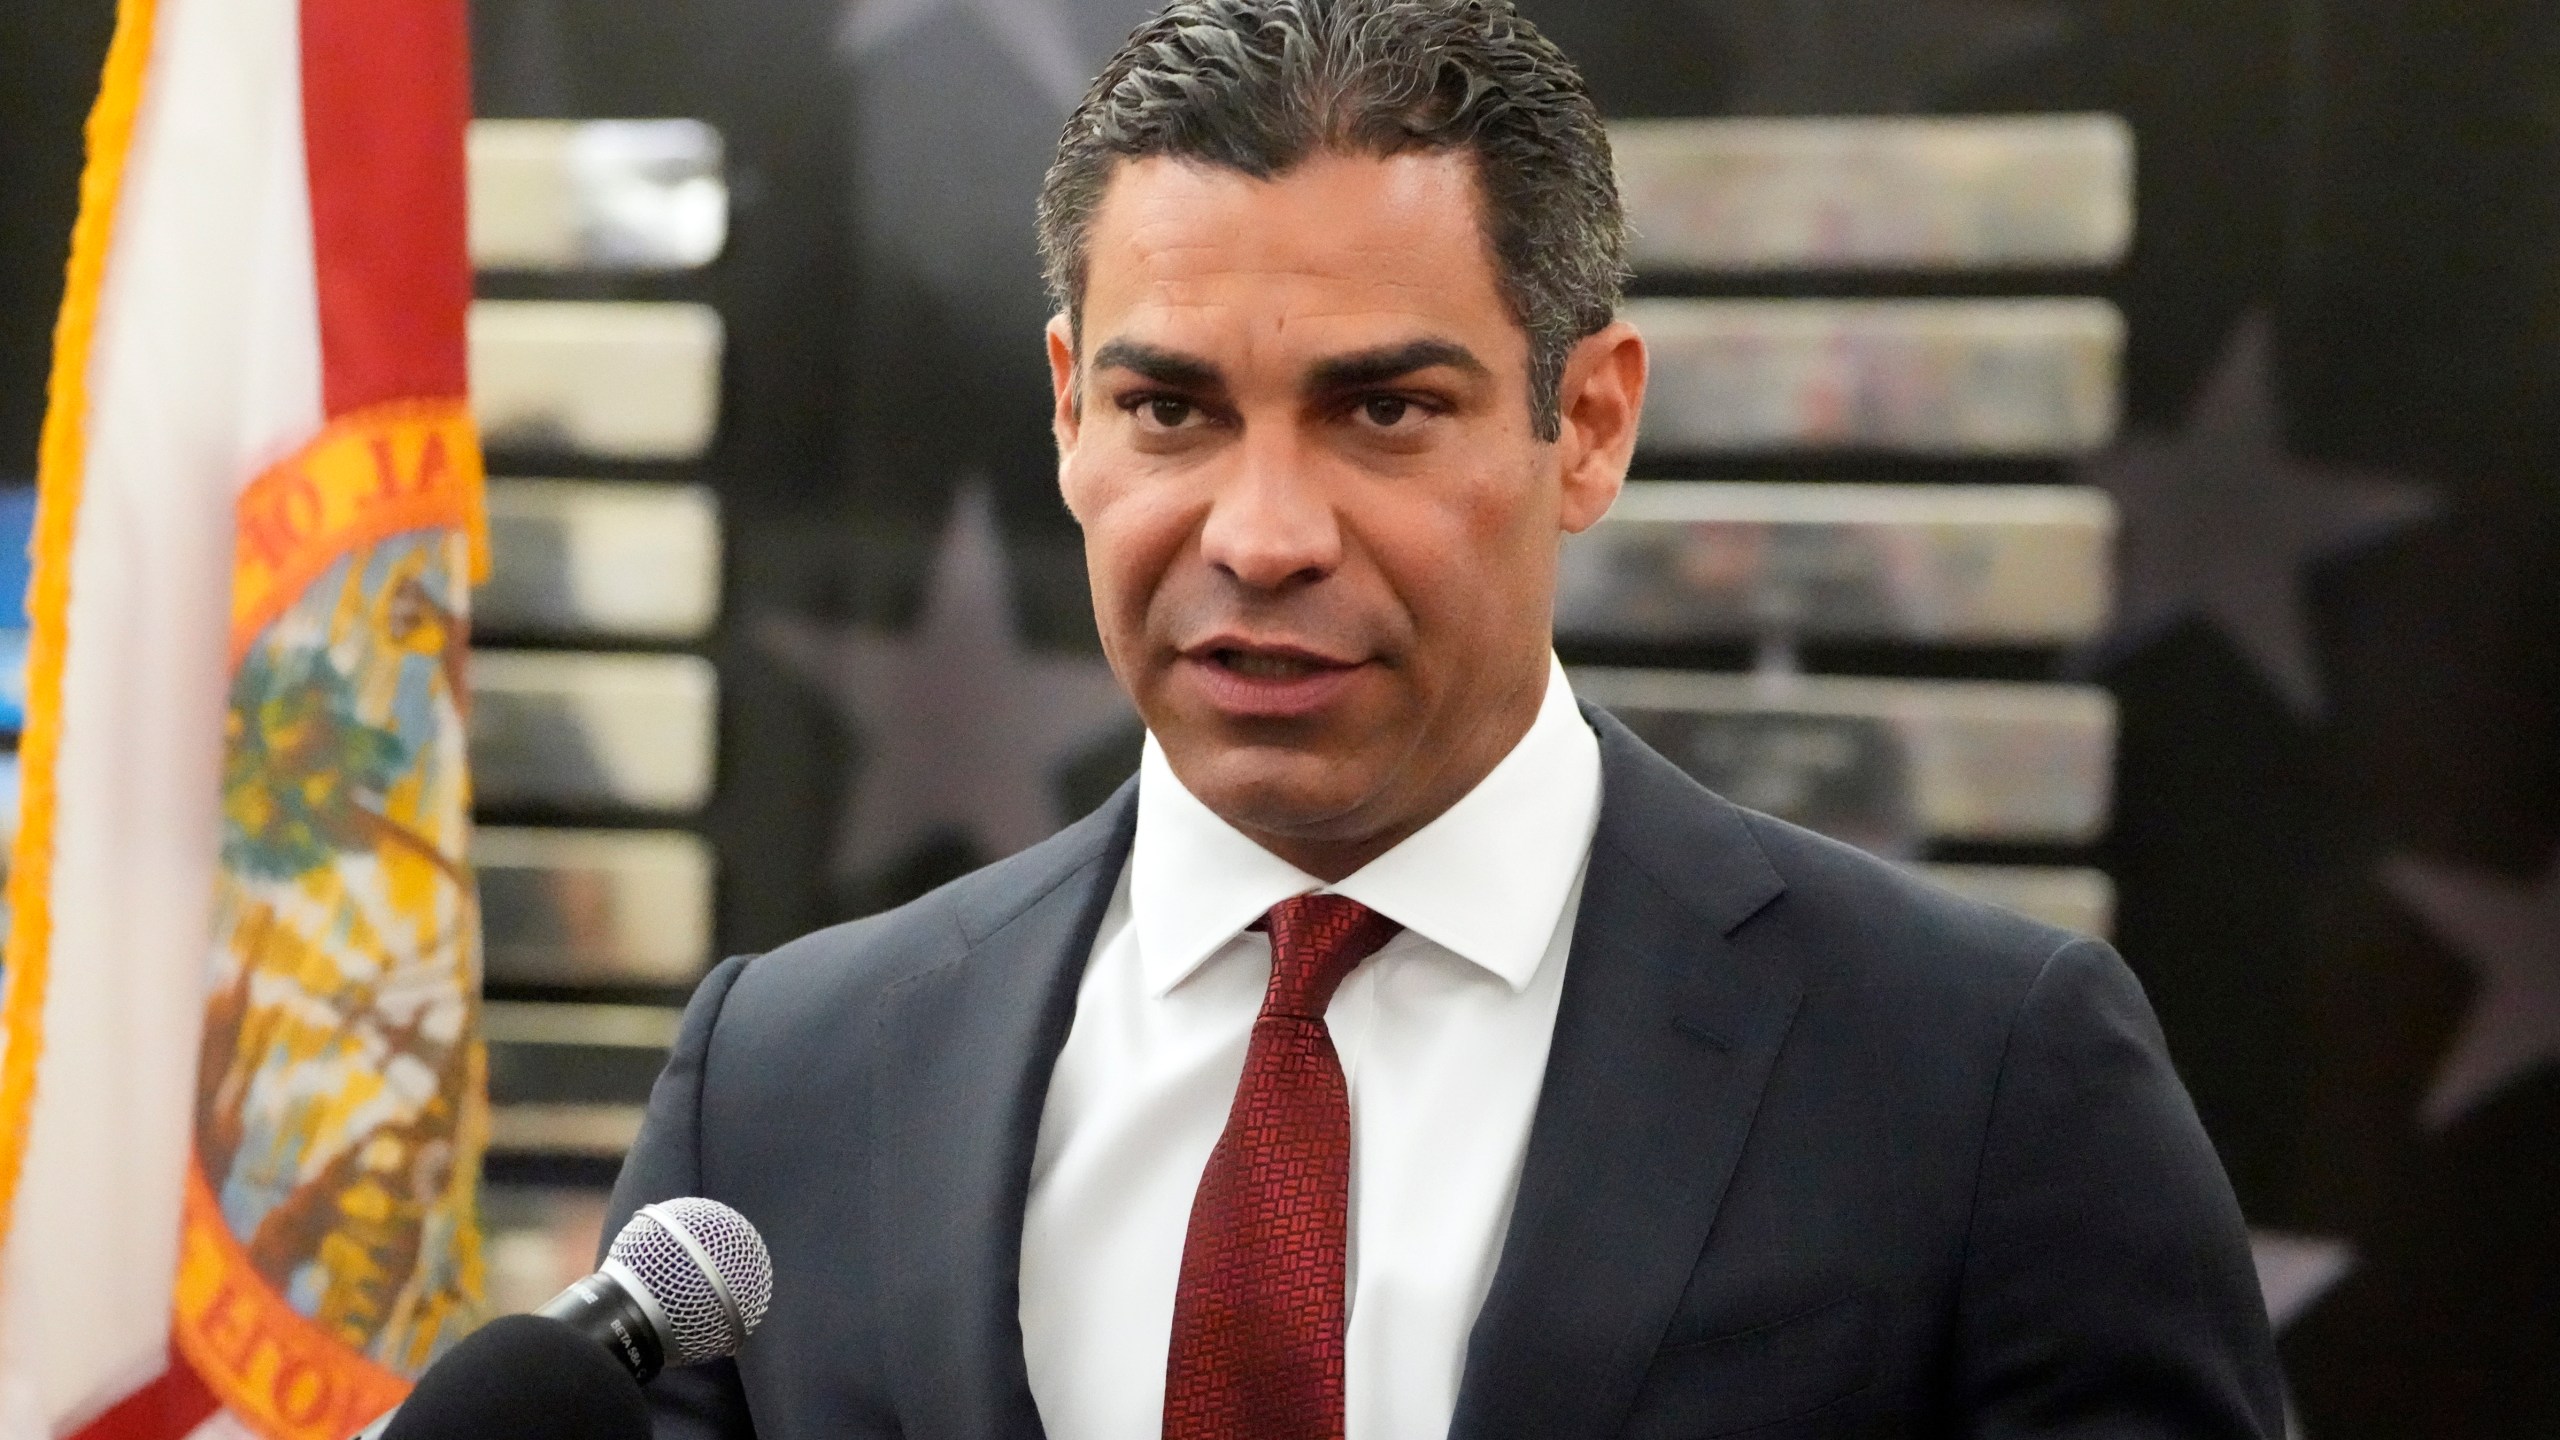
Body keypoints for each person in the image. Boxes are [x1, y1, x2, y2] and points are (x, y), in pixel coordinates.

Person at [605, 2, 2286, 1435]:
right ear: (1067, 414)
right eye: (1170, 409)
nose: (1263, 534)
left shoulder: (1981, 1076)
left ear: (1593, 425)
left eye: (1385, 409)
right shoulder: (786, 1079)